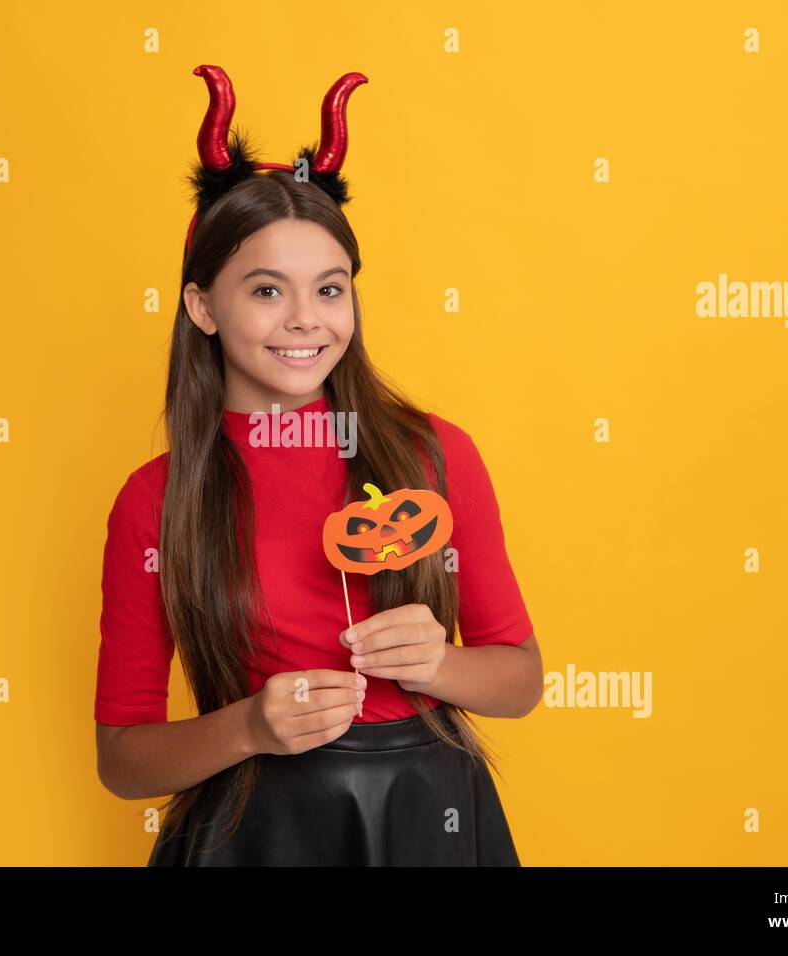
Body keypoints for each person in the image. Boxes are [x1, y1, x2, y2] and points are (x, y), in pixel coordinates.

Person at [94, 65, 544, 865]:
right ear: (203, 306)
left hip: (428, 818)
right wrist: (247, 727)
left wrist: (439, 664)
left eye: (330, 289)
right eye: (267, 291)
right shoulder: (153, 502)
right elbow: (123, 760)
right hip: (257, 834)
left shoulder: (431, 454)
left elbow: (521, 679)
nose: (306, 320)